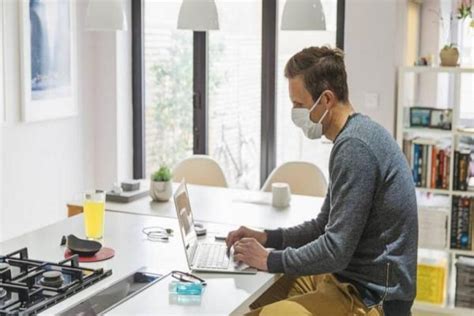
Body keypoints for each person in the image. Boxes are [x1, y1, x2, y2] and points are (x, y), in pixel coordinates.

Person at [226, 46, 418, 316]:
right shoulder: (355, 136)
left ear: (326, 99)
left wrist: (269, 258)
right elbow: (322, 227)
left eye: (299, 105)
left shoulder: (355, 148)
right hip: (347, 281)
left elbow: (335, 250)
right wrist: (267, 238)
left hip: (372, 297)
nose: (295, 113)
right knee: (258, 300)